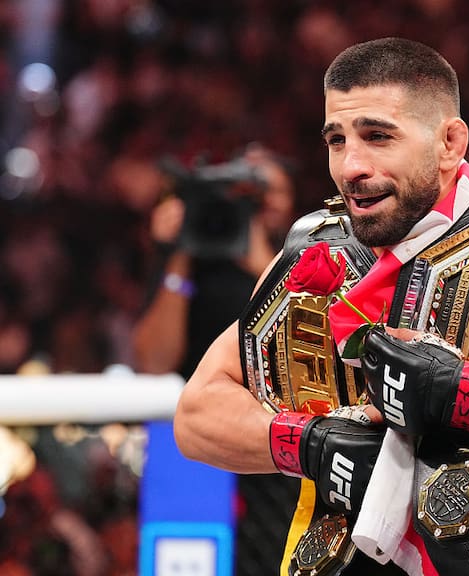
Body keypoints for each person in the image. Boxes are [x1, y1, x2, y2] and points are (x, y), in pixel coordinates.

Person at [174, 37, 469, 576]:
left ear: (450, 143)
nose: (351, 166)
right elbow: (197, 415)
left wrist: (468, 396)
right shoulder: (314, 258)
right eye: (336, 140)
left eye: (378, 137)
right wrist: (308, 442)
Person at [132, 145, 299, 575]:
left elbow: (303, 341)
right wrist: (181, 252)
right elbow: (153, 359)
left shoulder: (306, 259)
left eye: (266, 192)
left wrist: (262, 263)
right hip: (197, 443)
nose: (256, 204)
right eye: (244, 192)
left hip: (275, 446)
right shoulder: (193, 266)